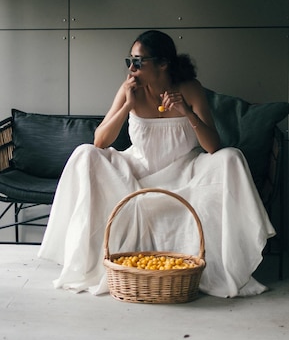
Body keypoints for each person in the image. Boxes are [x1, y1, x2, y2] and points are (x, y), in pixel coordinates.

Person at [38, 30, 275, 298]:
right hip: (136, 171)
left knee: (231, 157)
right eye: (129, 61)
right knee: (85, 154)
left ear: (163, 63)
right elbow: (100, 141)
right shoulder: (129, 88)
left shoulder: (190, 88)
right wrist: (127, 105)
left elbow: (213, 147)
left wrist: (186, 111)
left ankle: (223, 265)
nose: (131, 68)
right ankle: (92, 259)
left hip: (185, 171)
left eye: (139, 62)